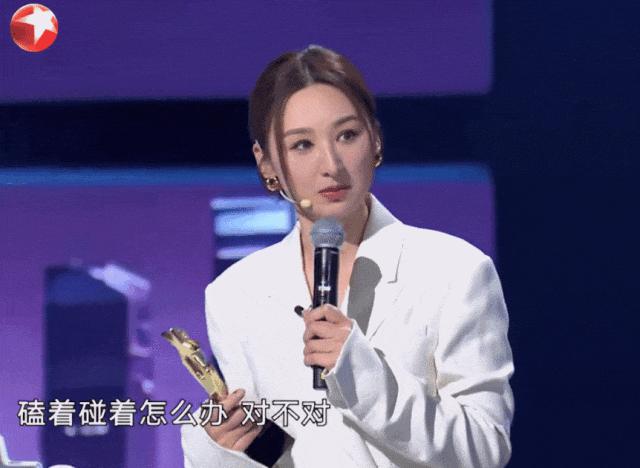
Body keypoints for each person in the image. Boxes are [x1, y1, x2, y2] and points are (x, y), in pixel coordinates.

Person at [181, 44, 514, 467]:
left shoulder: (454, 271)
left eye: (347, 135)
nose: (332, 164)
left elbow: (484, 448)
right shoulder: (235, 294)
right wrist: (221, 449)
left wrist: (363, 375)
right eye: (302, 144)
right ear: (266, 164)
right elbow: (272, 449)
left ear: (375, 138)